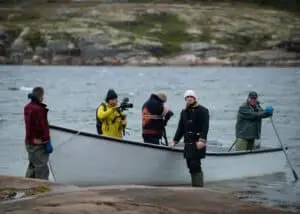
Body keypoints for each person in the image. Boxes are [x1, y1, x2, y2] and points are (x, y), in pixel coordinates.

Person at [171, 90, 209, 187]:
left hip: (198, 141)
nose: (189, 99)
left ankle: (199, 186)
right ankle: (195, 186)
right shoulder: (184, 112)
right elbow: (180, 128)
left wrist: (202, 140)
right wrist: (175, 140)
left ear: (194, 98)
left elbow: (205, 126)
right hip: (188, 141)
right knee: (190, 165)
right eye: (187, 97)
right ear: (185, 99)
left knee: (195, 164)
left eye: (191, 97)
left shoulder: (203, 110)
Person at [24, 87, 52, 180]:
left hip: (28, 142)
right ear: (41, 97)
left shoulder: (27, 108)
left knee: (32, 165)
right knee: (41, 168)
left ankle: (27, 185)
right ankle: (42, 189)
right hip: (38, 143)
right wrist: (47, 141)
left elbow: (31, 125)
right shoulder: (39, 110)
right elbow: (42, 127)